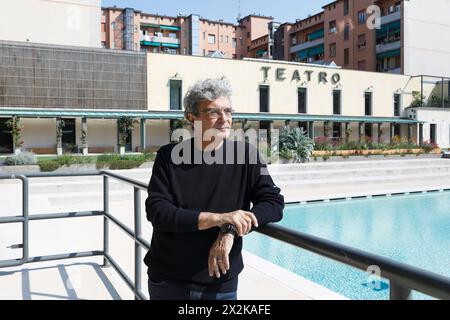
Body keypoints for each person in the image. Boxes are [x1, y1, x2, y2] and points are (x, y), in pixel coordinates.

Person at [144, 78, 284, 300]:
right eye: (213, 112)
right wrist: (220, 218)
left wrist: (229, 229)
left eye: (228, 111)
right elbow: (158, 212)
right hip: (168, 281)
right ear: (192, 118)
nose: (224, 119)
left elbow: (273, 203)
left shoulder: (247, 156)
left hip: (219, 284)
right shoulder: (168, 156)